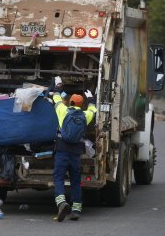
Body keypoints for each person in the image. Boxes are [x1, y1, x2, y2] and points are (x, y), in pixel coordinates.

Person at [52, 76, 97, 222]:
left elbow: (56, 98)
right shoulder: (85, 115)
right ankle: (76, 210)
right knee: (76, 181)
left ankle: (61, 203)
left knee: (58, 178)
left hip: (62, 151)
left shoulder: (63, 111)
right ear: (80, 104)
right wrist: (90, 98)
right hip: (75, 153)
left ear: (70, 101)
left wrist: (58, 85)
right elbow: (93, 109)